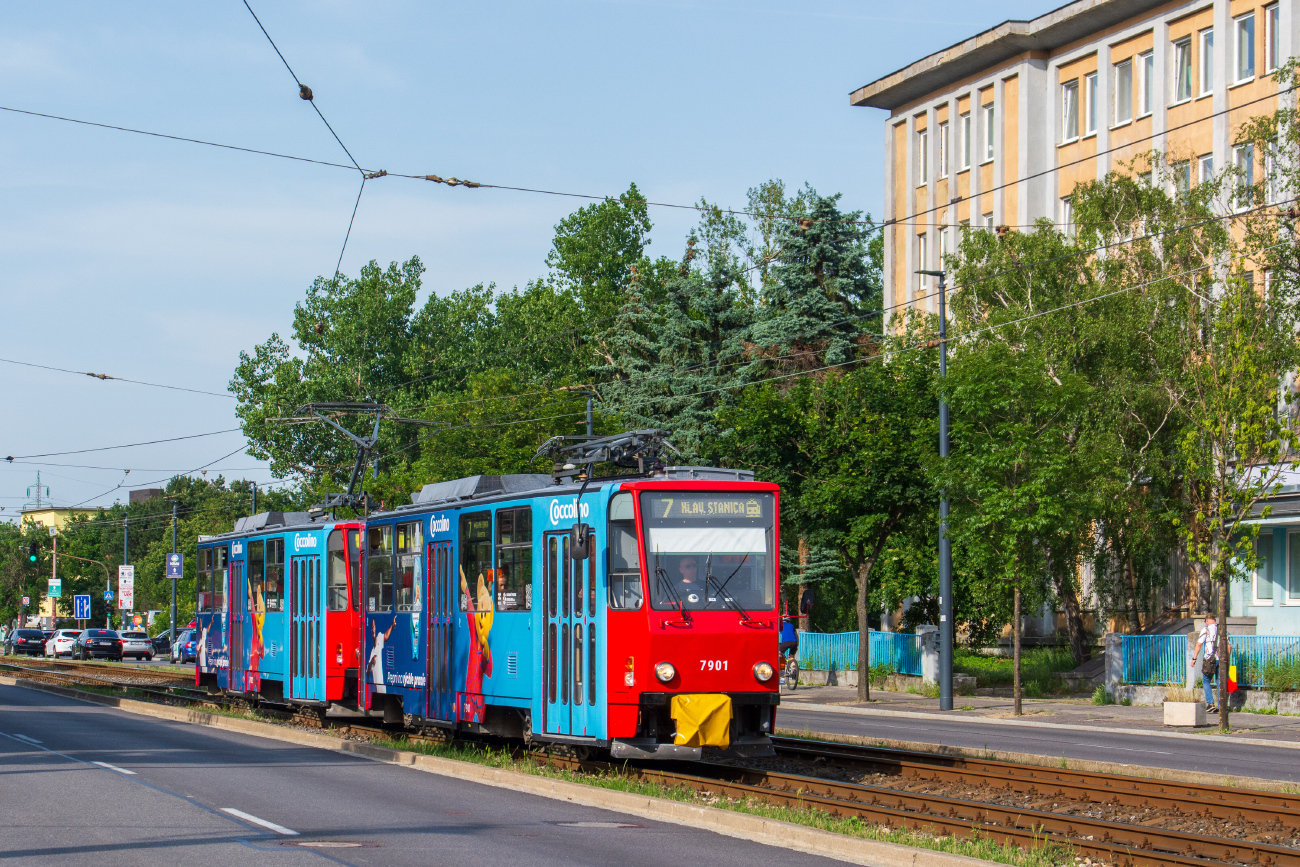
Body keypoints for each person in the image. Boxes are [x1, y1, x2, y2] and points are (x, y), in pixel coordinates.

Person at [1190, 613, 1219, 713]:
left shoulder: (1206, 630)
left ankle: (1210, 703)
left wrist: (1194, 658)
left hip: (1209, 658)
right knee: (1220, 682)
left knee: (1206, 680)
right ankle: (1221, 705)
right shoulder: (1223, 630)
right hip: (1220, 658)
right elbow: (1229, 646)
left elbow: (1199, 644)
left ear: (1207, 620)